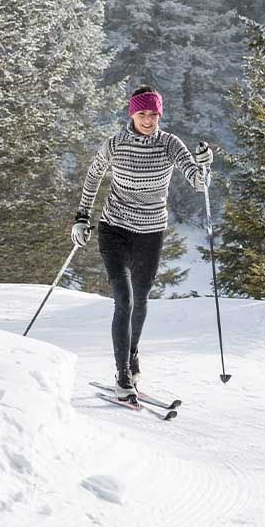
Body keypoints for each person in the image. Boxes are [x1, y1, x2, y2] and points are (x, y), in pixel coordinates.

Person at [72, 85, 213, 400]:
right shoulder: (116, 144)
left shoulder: (168, 144)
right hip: (115, 229)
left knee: (141, 299)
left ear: (159, 115)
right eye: (141, 113)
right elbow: (93, 176)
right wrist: (82, 217)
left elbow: (196, 180)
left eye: (153, 114)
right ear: (131, 113)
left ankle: (132, 354)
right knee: (124, 301)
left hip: (150, 233)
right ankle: (122, 374)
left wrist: (205, 166)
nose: (147, 120)